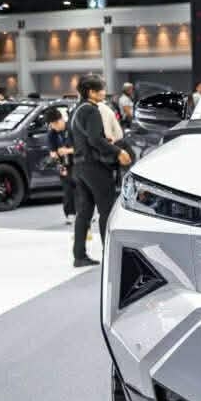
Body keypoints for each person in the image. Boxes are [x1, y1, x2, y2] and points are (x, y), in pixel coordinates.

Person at [70, 75, 132, 267]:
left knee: (84, 212)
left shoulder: (76, 109)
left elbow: (85, 139)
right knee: (106, 210)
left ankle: (79, 255)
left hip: (79, 166)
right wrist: (118, 151)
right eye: (102, 89)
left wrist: (104, 141)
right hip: (95, 167)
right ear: (91, 92)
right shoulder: (92, 110)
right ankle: (110, 256)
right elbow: (95, 140)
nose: (104, 93)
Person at [43, 108, 76, 224]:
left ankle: (86, 213)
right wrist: (59, 165)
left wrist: (67, 151)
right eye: (51, 125)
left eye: (54, 124)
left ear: (60, 120)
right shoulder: (52, 134)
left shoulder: (72, 129)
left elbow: (82, 148)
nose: (53, 127)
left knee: (82, 190)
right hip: (65, 164)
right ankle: (70, 214)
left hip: (79, 162)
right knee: (68, 190)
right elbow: (53, 152)